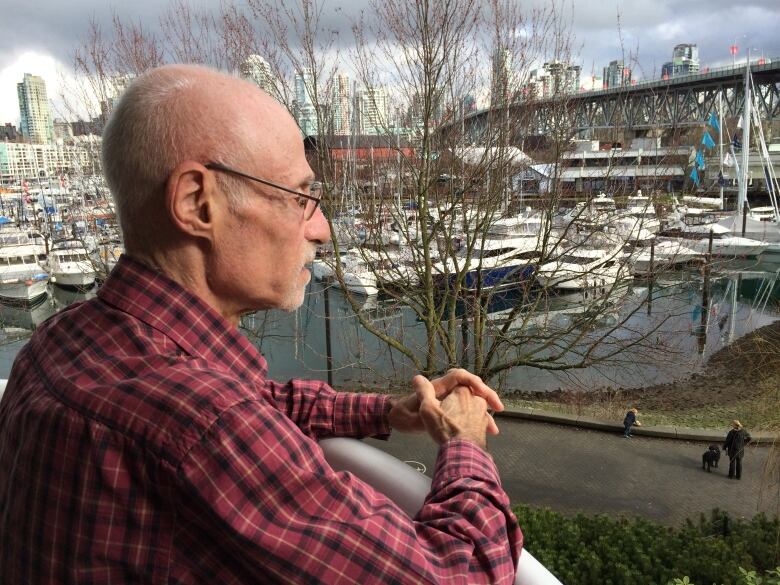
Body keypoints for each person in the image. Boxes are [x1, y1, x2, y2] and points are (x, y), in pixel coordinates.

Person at [0, 65, 521, 584]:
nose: (322, 228)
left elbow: (254, 400)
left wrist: (387, 412)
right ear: (197, 203)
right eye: (300, 198)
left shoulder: (62, 340)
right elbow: (457, 574)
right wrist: (464, 443)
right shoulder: (208, 425)